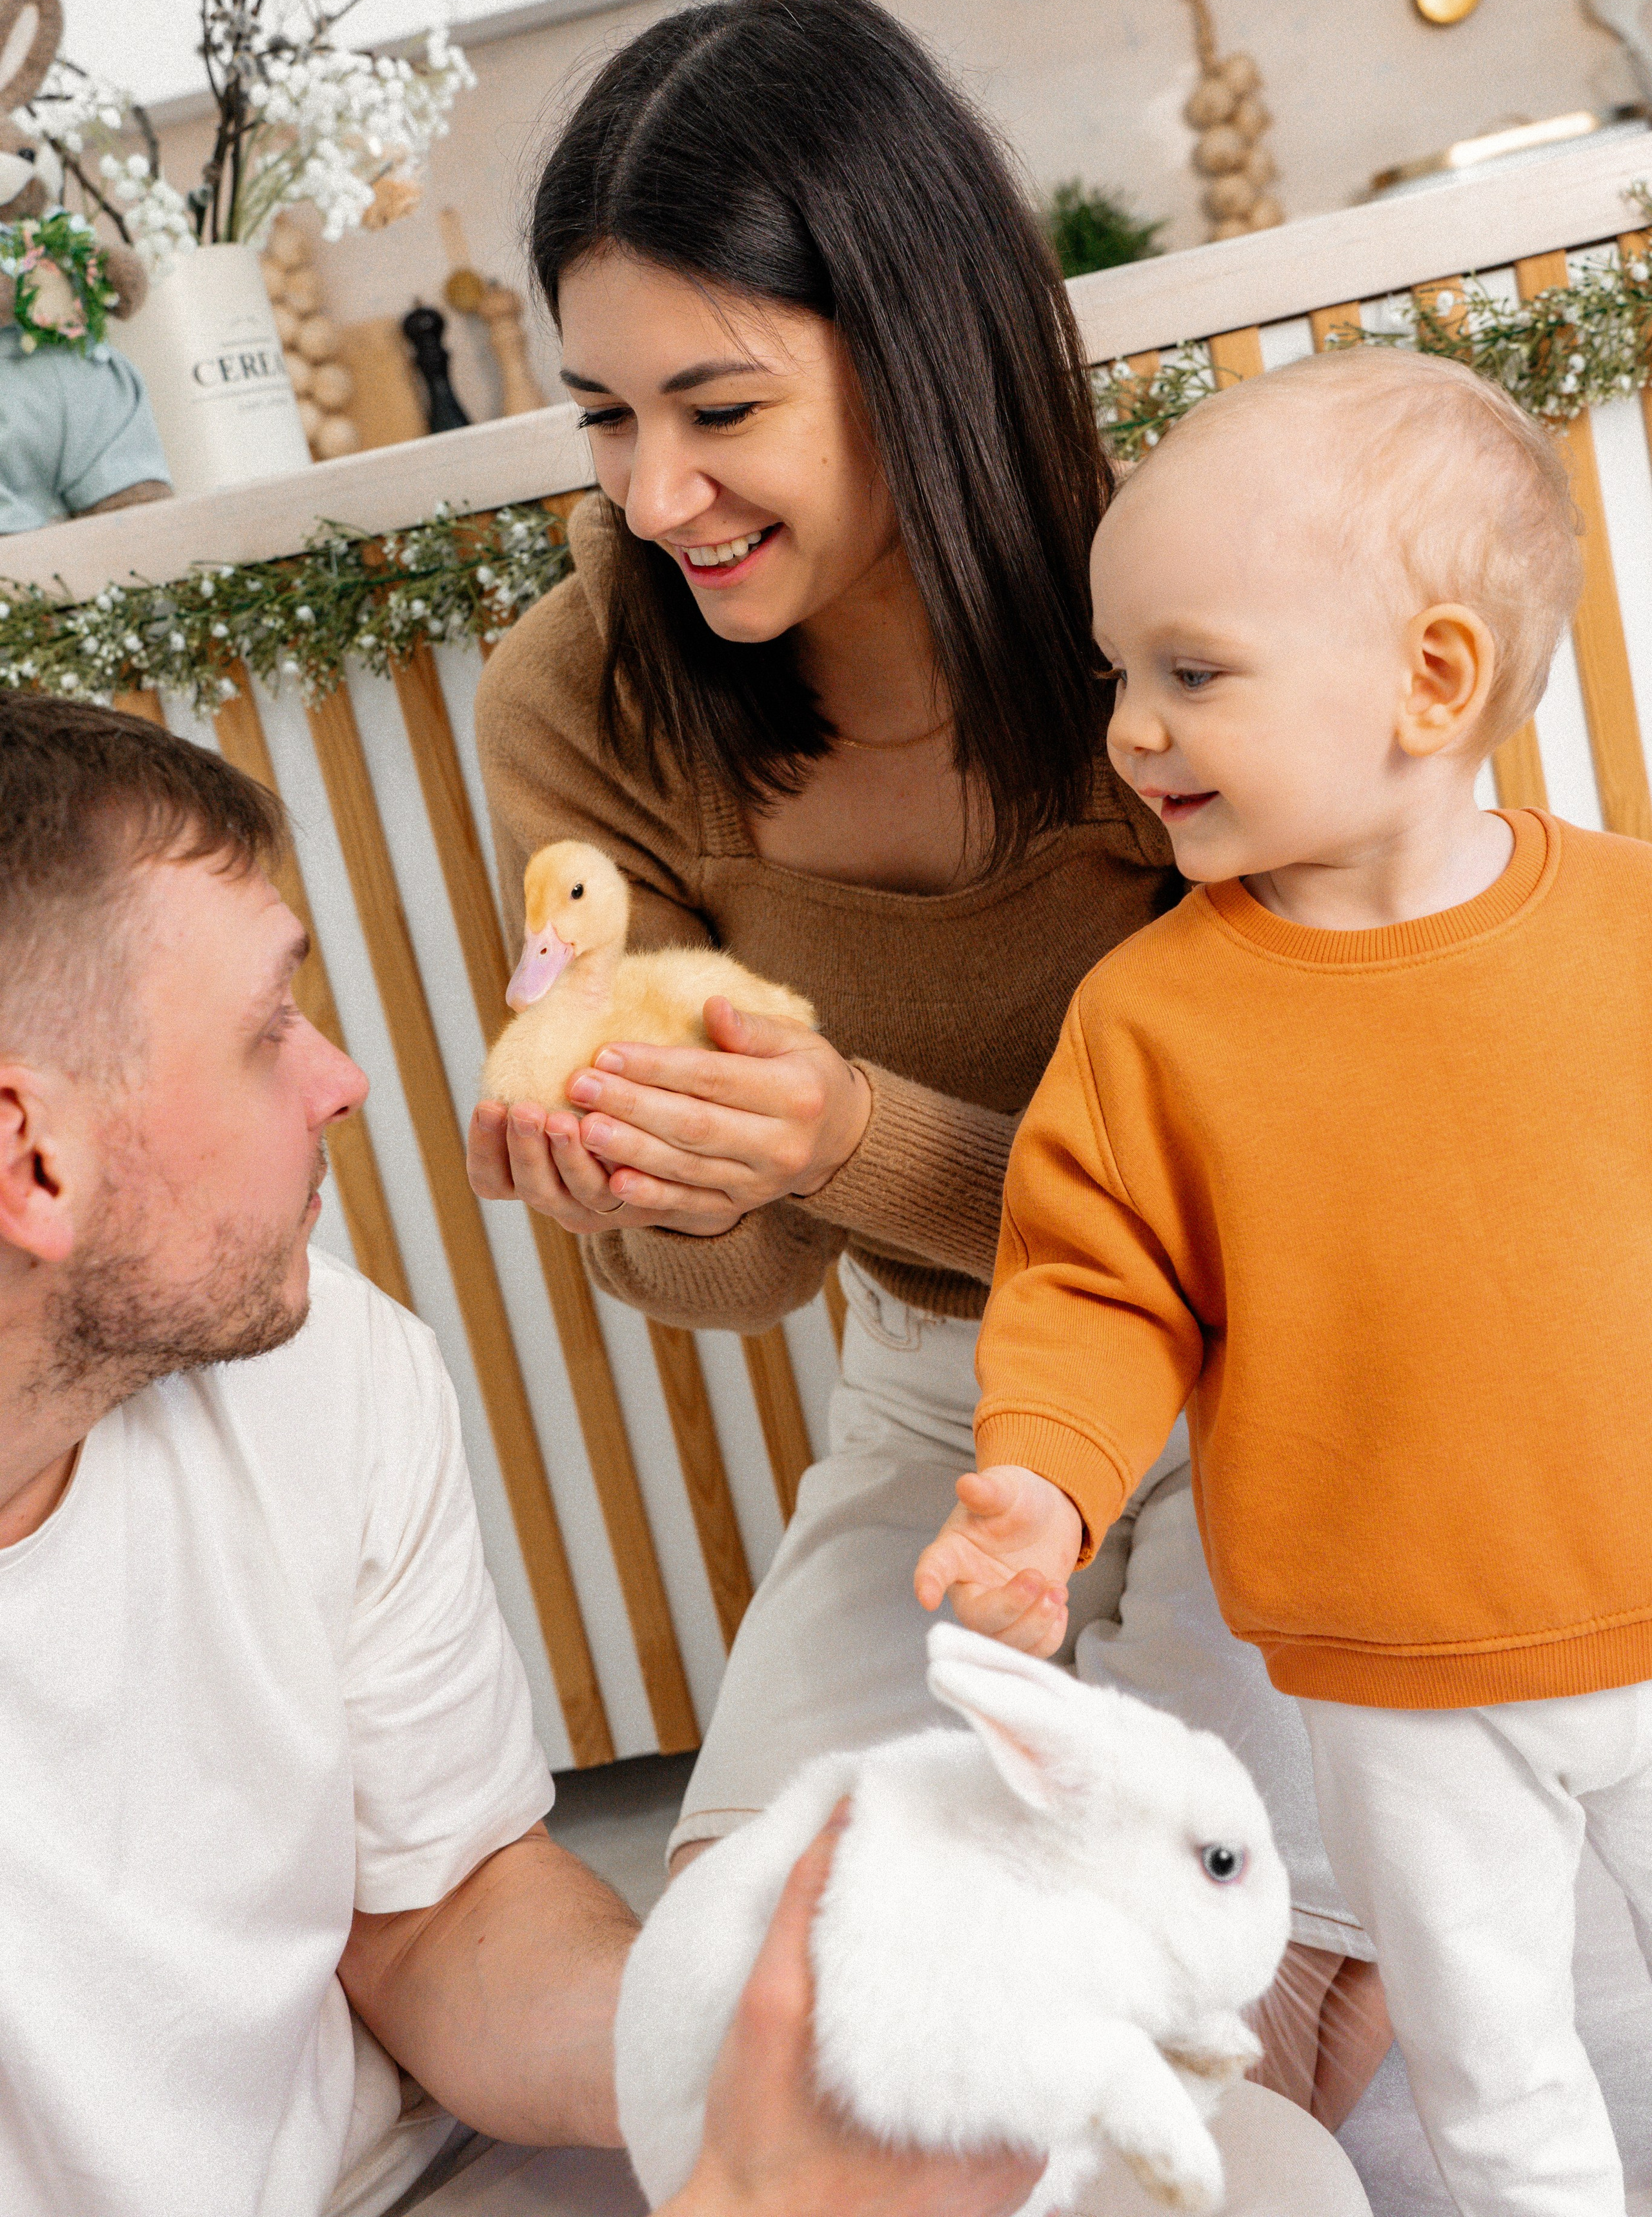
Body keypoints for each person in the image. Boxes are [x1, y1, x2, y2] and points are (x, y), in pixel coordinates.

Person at [470, 0, 1382, 2183]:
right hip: (940, 1400)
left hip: (1288, 1373)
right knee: (733, 2017)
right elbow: (737, 1287)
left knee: (1226, 2045)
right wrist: (666, 1186)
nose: (656, 494)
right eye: (602, 417)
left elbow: (1305, 1194)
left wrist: (853, 1136)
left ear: (919, 345)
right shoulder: (588, 697)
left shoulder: (1181, 613)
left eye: (719, 407)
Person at [0, 692, 1045, 2217]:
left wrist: (741, 2057)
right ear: (31, 1157)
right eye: (267, 1029)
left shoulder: (328, 1366)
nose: (340, 1079)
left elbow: (436, 1916)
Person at [917, 345, 1652, 2217]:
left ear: (1431, 683)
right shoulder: (1153, 1022)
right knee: (1497, 2058)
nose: (1131, 733)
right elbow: (1095, 1285)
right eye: (1119, 679)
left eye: (1192, 673)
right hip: (1397, 1672)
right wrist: (1043, 1484)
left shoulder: (1633, 930)